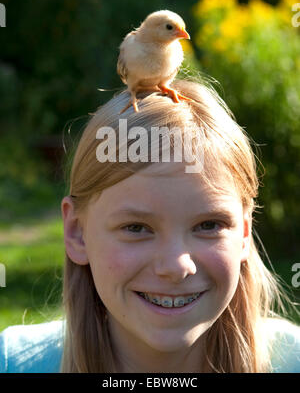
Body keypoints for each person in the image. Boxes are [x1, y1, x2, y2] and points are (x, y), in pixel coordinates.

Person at [1, 79, 299, 373]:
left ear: (244, 232)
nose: (175, 266)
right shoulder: (12, 363)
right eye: (136, 228)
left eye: (209, 224)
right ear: (77, 232)